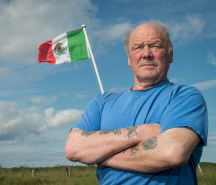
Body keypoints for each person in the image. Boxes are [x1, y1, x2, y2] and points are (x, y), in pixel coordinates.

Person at [65, 21, 208, 185]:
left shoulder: (185, 97)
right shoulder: (102, 102)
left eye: (155, 46)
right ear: (129, 59)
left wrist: (100, 155)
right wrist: (143, 131)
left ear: (170, 55)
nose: (146, 53)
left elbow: (172, 152)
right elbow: (73, 147)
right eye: (138, 47)